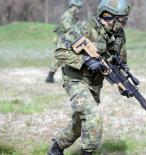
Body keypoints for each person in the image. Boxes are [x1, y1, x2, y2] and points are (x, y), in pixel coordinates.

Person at [47, 0, 131, 154]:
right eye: (122, 19)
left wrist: (124, 85)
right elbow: (60, 52)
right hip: (75, 79)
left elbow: (121, 63)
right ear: (108, 16)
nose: (125, 23)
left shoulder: (119, 35)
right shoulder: (86, 27)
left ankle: (56, 148)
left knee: (80, 123)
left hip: (95, 82)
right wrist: (85, 60)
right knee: (93, 117)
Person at [45, 0, 84, 83]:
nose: (78, 10)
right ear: (73, 6)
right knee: (61, 56)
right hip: (62, 38)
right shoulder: (67, 15)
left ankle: (56, 75)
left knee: (65, 57)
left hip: (65, 38)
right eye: (78, 7)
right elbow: (69, 28)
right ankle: (50, 76)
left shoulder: (71, 15)